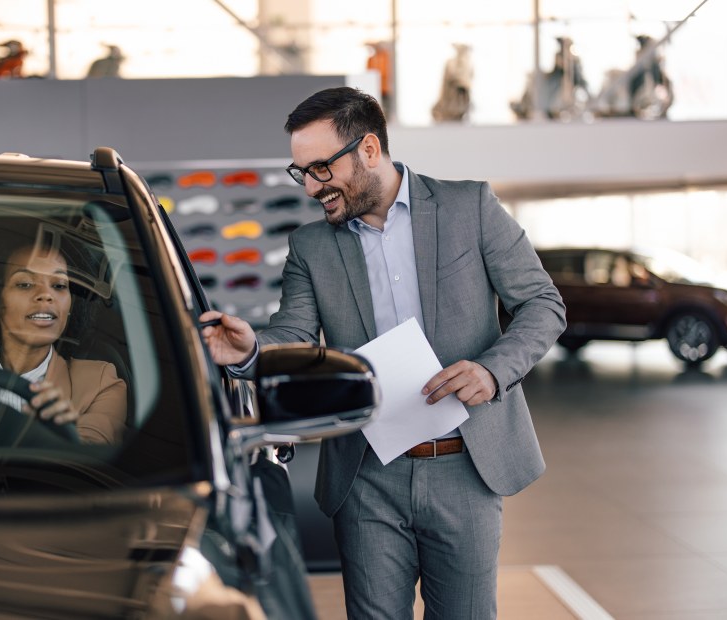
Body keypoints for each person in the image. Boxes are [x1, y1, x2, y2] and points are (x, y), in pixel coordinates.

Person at [201, 86, 566, 618]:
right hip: (366, 475)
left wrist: (493, 370)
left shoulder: (470, 207)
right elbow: (294, 336)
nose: (311, 187)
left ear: (369, 149)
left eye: (321, 168)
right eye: (300, 172)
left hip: (467, 468)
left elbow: (542, 304)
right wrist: (250, 349)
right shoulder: (311, 246)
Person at [0, 237, 127, 445]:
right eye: (25, 284)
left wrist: (59, 436)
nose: (46, 295)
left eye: (59, 285)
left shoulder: (100, 383)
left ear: (72, 306)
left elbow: (93, 452)